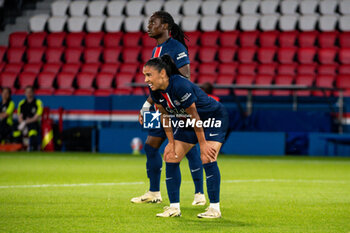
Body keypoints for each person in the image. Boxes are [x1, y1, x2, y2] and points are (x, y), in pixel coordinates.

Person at [131, 11, 205, 206]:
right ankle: (154, 192)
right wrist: (147, 104)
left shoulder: (176, 47)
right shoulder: (156, 50)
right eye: (148, 23)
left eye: (153, 23)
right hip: (162, 107)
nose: (149, 26)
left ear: (165, 26)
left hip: (179, 108)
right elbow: (157, 83)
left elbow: (185, 77)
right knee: (150, 146)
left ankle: (199, 193)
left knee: (187, 151)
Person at [144, 55, 229, 218]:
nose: (146, 79)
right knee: (170, 155)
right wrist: (170, 142)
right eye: (144, 75)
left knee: (207, 157)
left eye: (149, 75)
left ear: (162, 73)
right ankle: (174, 208)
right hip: (188, 121)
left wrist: (203, 144)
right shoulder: (155, 90)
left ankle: (214, 208)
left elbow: (195, 115)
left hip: (212, 117)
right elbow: (164, 116)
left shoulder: (180, 85)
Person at [13, 86, 43, 151]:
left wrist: (26, 122)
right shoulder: (21, 103)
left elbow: (36, 117)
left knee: (32, 130)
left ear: (33, 93)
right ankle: (17, 147)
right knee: (15, 128)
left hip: (33, 123)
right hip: (23, 124)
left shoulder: (38, 102)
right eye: (27, 92)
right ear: (25, 93)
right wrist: (23, 124)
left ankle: (33, 148)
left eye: (30, 92)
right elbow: (19, 116)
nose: (29, 93)